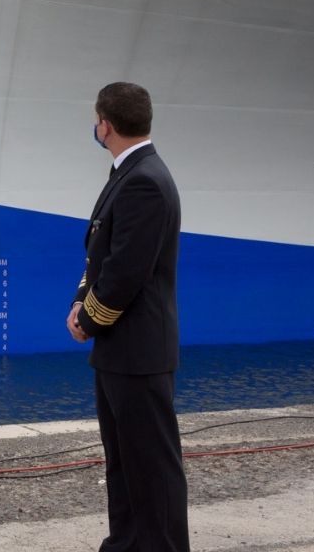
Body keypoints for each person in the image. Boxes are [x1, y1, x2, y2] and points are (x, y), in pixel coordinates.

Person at [67, 82, 190, 552]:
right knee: (123, 464)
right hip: (119, 352)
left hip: (137, 351)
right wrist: (81, 301)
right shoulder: (128, 172)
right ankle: (126, 544)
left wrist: (88, 319)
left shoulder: (143, 180)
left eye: (97, 120)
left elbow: (126, 272)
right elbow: (99, 257)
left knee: (152, 468)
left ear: (107, 124)